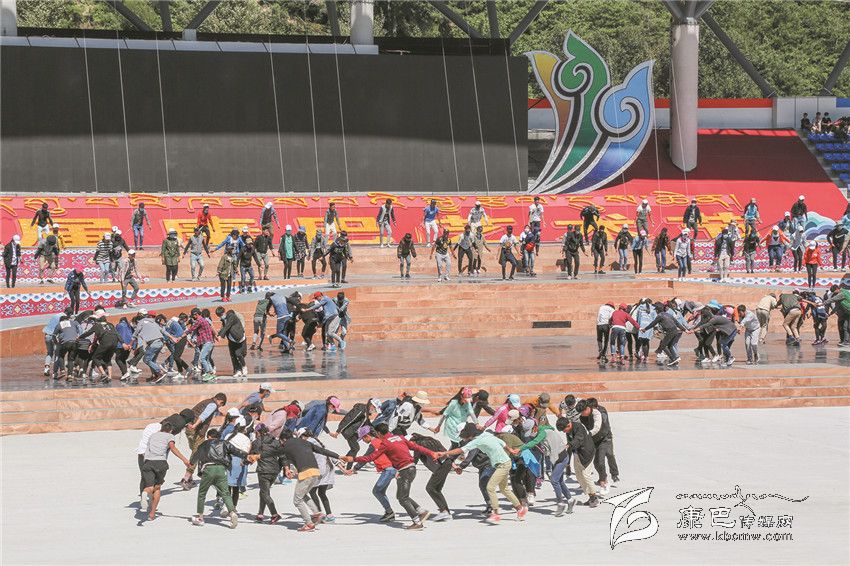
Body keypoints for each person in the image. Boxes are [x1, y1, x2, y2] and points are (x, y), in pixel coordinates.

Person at [345, 422, 438, 530]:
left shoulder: (385, 443)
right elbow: (416, 447)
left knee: (401, 498)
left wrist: (353, 459)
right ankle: (421, 512)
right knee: (402, 496)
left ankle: (417, 522)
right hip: (411, 469)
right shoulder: (400, 438)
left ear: (379, 433)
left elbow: (370, 457)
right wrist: (432, 453)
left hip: (403, 470)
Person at [435, 424, 525, 525]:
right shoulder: (486, 434)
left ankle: (495, 514)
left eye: (464, 436)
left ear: (470, 435)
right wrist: (510, 450)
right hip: (504, 462)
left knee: (490, 487)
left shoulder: (477, 441)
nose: (463, 438)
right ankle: (520, 509)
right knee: (504, 489)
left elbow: (461, 450)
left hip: (502, 465)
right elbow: (502, 443)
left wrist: (444, 453)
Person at [190, 428, 257, 528]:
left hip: (208, 469)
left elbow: (194, 458)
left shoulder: (203, 445)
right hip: (221, 469)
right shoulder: (224, 443)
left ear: (209, 436)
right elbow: (236, 451)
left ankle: (200, 517)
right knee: (225, 493)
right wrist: (247, 456)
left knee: (202, 493)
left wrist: (190, 463)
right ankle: (232, 513)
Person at [140, 422, 191, 522]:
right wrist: (184, 460)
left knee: (149, 487)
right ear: (170, 430)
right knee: (157, 487)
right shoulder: (170, 436)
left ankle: (145, 493)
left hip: (148, 462)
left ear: (161, 428)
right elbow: (172, 448)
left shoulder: (153, 435)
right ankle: (152, 514)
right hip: (160, 463)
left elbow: (146, 449)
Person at [181, 392, 228, 488]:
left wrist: (224, 414)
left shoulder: (207, 402)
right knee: (197, 453)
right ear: (221, 401)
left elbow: (213, 412)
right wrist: (195, 425)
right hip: (197, 431)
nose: (219, 406)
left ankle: (189, 478)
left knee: (194, 452)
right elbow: (203, 416)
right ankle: (186, 478)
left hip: (189, 430)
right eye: (221, 405)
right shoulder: (213, 405)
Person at [355, 425, 398, 522]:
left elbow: (366, 458)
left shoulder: (373, 444)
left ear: (367, 436)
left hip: (388, 469)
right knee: (381, 491)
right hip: (390, 469)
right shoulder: (380, 441)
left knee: (377, 491)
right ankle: (389, 512)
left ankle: (390, 512)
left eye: (362, 439)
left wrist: (355, 469)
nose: (363, 441)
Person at [560, 413, 599, 507]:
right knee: (578, 475)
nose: (564, 432)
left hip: (587, 453)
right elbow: (570, 443)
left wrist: (569, 445)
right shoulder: (569, 430)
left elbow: (578, 439)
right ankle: (590, 496)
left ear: (568, 425)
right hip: (577, 453)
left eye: (564, 430)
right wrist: (567, 462)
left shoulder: (578, 427)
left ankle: (594, 497)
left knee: (586, 475)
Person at [250, 423, 284, 523]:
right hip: (274, 471)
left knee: (265, 493)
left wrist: (244, 462)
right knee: (264, 492)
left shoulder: (256, 442)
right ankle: (260, 514)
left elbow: (251, 457)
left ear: (258, 432)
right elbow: (282, 456)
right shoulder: (275, 441)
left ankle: (274, 514)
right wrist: (284, 468)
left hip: (264, 471)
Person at [333, 398, 380, 469]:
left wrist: (378, 436)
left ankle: (343, 462)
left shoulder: (366, 412)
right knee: (355, 448)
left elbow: (369, 425)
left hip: (353, 431)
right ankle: (346, 466)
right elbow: (350, 419)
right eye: (375, 409)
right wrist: (338, 430)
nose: (374, 411)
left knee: (354, 448)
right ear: (372, 406)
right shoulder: (361, 409)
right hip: (348, 431)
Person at [187, 308, 218, 381]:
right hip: (206, 342)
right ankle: (212, 374)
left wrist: (216, 335)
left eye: (193, 316)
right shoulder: (203, 320)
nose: (192, 318)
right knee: (206, 359)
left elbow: (191, 329)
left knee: (202, 358)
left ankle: (208, 373)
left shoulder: (200, 320)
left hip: (207, 342)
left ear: (196, 314)